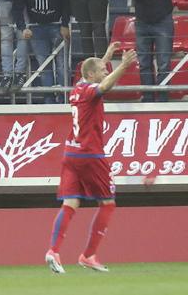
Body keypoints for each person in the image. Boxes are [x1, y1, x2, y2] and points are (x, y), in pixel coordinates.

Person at [44, 42, 137, 274]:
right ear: (92, 75)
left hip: (71, 154)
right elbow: (104, 86)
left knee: (71, 203)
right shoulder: (89, 91)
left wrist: (106, 55)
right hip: (90, 154)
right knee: (107, 203)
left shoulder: (77, 89)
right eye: (103, 69)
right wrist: (123, 66)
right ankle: (88, 255)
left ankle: (53, 251)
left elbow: (93, 71)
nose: (106, 70)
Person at [112, 0, 174, 103]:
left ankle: (162, 101)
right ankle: (147, 99)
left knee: (163, 63)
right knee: (144, 63)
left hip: (162, 19)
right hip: (142, 21)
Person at [12, 0, 71, 103]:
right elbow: (17, 8)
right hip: (36, 28)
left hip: (57, 26)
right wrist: (22, 27)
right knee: (44, 66)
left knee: (62, 65)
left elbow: (67, 3)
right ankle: (49, 101)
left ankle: (65, 99)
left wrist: (64, 24)